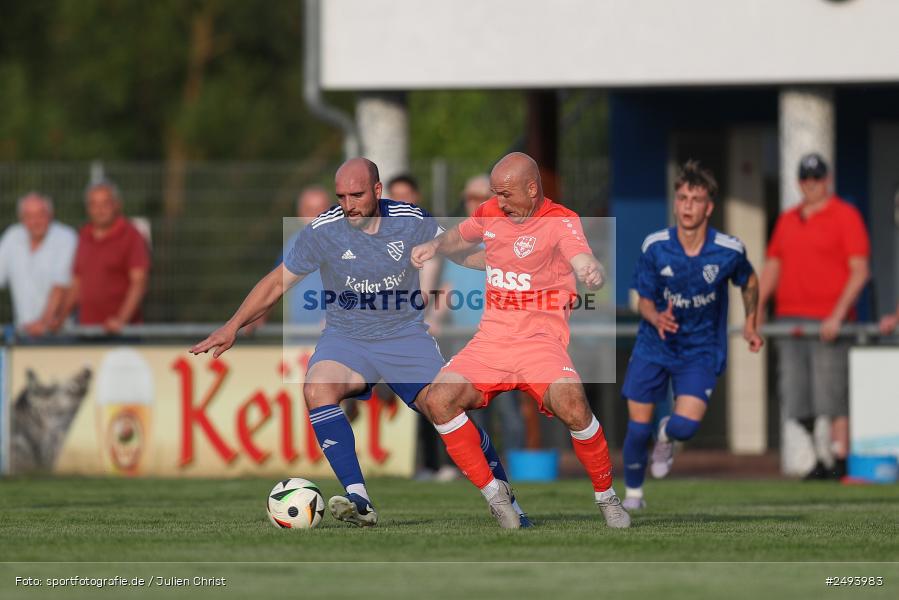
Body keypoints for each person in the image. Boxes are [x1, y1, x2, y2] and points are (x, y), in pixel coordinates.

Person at [191, 158, 529, 528]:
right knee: (317, 388)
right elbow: (275, 283)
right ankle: (360, 500)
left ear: (377, 191)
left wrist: (511, 265)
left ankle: (503, 496)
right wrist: (233, 326)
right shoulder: (324, 231)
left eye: (356, 194)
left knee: (444, 410)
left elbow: (459, 253)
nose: (348, 204)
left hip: (404, 337)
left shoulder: (411, 219)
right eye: (341, 196)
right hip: (346, 338)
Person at [411, 152, 630, 530]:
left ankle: (608, 498)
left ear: (532, 189)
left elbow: (581, 257)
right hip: (491, 341)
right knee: (438, 400)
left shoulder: (562, 221)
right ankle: (496, 496)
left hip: (540, 342)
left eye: (507, 194)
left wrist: (589, 270)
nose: (500, 202)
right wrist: (436, 247)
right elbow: (459, 237)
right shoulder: (492, 211)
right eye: (496, 194)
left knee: (574, 405)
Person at [620, 161, 763, 510]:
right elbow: (643, 299)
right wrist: (656, 316)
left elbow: (750, 281)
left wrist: (750, 322)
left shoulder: (728, 250)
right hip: (655, 345)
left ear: (708, 207)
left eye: (695, 199)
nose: (687, 205)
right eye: (682, 197)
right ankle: (633, 496)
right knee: (638, 429)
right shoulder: (655, 246)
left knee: (685, 426)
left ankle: (667, 435)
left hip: (700, 350)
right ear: (675, 202)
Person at [758, 153, 870, 480]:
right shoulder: (788, 219)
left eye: (817, 178)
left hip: (829, 322)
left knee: (832, 395)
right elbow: (772, 267)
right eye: (806, 179)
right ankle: (821, 457)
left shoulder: (845, 216)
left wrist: (837, 315)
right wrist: (756, 310)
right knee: (796, 397)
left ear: (827, 180)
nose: (811, 185)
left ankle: (841, 460)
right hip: (789, 321)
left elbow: (859, 271)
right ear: (798, 182)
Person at [437, 174, 526, 455]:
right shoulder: (458, 243)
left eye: (479, 198)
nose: (473, 204)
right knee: (473, 415)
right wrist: (434, 320)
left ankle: (519, 475)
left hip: (502, 343)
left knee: (509, 414)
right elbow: (446, 292)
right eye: (469, 198)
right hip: (465, 344)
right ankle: (483, 473)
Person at [63, 181, 150, 333]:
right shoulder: (84, 235)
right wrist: (60, 317)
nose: (99, 210)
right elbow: (77, 283)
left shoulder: (131, 236)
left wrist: (121, 320)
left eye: (105, 203)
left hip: (122, 334)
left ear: (117, 205)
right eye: (94, 204)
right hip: (87, 331)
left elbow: (139, 283)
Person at [0, 192, 77, 336]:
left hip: (59, 333)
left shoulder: (66, 238)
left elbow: (60, 287)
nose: (35, 221)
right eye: (29, 216)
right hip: (24, 333)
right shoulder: (12, 237)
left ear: (50, 214)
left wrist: (44, 323)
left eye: (40, 215)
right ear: (21, 218)